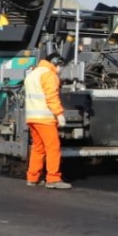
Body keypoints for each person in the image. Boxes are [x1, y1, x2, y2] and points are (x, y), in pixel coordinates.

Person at [24, 51, 71, 189]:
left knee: (37, 148)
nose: (60, 70)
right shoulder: (49, 75)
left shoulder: (33, 74)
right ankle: (53, 179)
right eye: (60, 66)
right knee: (53, 148)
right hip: (45, 118)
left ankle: (32, 178)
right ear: (56, 63)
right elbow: (51, 96)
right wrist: (59, 114)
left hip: (32, 117)